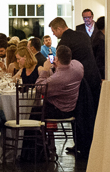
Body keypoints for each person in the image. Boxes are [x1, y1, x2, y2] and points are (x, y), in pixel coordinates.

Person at [49, 17, 101, 159]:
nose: (53, 34)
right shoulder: (82, 34)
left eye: (54, 31)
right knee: (92, 113)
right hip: (94, 76)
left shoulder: (64, 42)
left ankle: (82, 146)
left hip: (82, 80)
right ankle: (90, 145)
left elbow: (63, 65)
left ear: (59, 28)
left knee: (80, 113)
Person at [36, 45, 83, 119]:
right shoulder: (78, 66)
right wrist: (57, 66)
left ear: (57, 58)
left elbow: (39, 88)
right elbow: (66, 69)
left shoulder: (57, 78)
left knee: (33, 112)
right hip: (73, 108)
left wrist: (44, 70)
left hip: (58, 111)